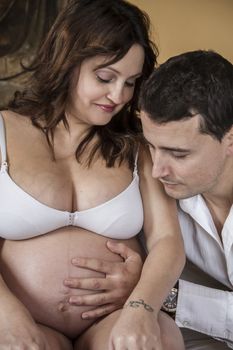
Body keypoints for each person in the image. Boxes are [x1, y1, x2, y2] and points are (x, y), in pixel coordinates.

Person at [0, 0, 185, 349]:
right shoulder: (3, 131)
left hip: (109, 324)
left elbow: (167, 240)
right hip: (20, 321)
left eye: (131, 82)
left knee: (152, 340)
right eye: (105, 77)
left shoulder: (138, 147)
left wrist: (140, 308)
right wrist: (6, 314)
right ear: (67, 62)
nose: (118, 96)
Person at [77, 49, 233, 350]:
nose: (158, 170)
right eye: (152, 147)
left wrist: (165, 295)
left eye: (178, 153)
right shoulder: (153, 194)